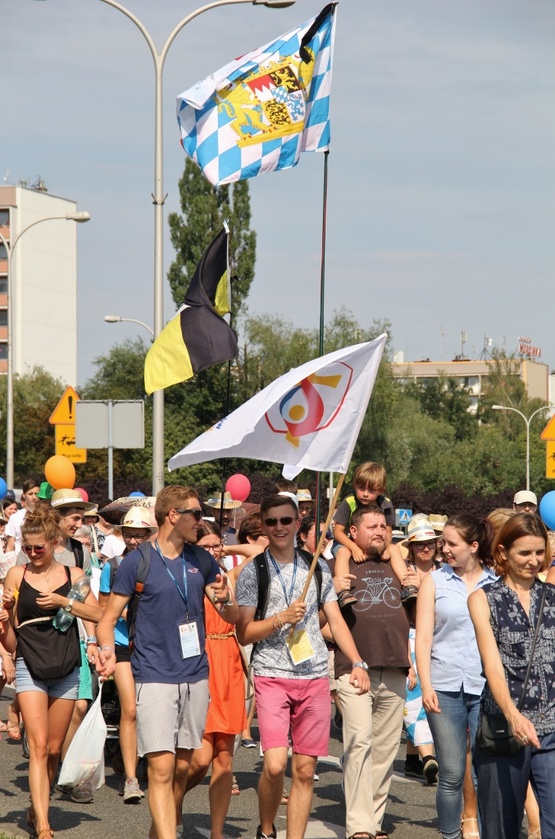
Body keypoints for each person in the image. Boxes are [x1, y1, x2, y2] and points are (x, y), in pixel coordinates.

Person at [96, 485, 234, 839]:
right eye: (195, 515)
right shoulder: (137, 561)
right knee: (160, 768)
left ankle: (160, 832)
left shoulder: (201, 560)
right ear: (173, 516)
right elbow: (108, 619)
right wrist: (107, 650)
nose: (200, 523)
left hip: (195, 675)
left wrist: (226, 599)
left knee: (185, 766)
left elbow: (229, 614)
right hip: (153, 674)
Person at [235, 494, 370, 839]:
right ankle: (266, 829)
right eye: (271, 522)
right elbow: (245, 632)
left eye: (286, 520)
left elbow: (336, 622)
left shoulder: (317, 566)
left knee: (306, 771)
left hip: (312, 676)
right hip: (271, 674)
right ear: (263, 528)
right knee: (276, 764)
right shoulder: (254, 571)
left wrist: (357, 662)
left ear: (298, 523)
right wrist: (280, 618)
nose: (279, 527)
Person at [2, 508, 101, 839]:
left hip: (66, 667)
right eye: (27, 548)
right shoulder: (17, 576)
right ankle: (43, 826)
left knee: (55, 751)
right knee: (40, 745)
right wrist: (3, 623)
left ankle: (36, 805)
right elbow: (12, 637)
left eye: (37, 548)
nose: (31, 554)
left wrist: (62, 601)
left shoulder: (74, 575)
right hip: (29, 664)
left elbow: (98, 613)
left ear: (54, 542)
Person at [468, 513, 555, 839]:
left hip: (551, 730)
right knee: (501, 830)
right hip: (504, 730)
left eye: (539, 553)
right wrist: (513, 715)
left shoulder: (553, 598)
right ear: (503, 553)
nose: (534, 561)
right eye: (525, 553)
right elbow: (492, 666)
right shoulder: (483, 599)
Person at [331, 505, 411, 839]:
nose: (379, 531)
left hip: (395, 665)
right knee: (360, 741)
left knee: (385, 749)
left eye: (383, 526)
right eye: (372, 526)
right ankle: (359, 826)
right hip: (354, 669)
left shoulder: (398, 562)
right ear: (353, 532)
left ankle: (374, 820)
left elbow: (419, 616)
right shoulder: (342, 563)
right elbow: (325, 622)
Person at [415, 514, 496, 839]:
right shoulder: (434, 581)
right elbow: (423, 637)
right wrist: (426, 684)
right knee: (450, 772)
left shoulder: (494, 582)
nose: (443, 548)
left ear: (473, 546)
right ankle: (450, 835)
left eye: (451, 543)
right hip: (444, 687)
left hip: (485, 688)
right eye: (442, 542)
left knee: (483, 772)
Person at [184, 520, 246, 839]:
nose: (212, 551)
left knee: (225, 755)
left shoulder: (228, 577)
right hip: (201, 661)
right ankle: (173, 796)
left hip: (230, 663)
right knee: (200, 758)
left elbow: (259, 551)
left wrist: (227, 547)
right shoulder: (189, 580)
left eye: (216, 545)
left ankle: (218, 833)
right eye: (204, 546)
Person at [98, 505, 157, 803]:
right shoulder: (114, 566)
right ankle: (131, 779)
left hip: (152, 645)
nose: (133, 541)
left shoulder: (160, 564)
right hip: (122, 644)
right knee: (130, 710)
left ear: (149, 535)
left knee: (150, 711)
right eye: (129, 535)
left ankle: (143, 761)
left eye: (139, 536)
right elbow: (103, 610)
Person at [400, 517, 441, 784]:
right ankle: (428, 758)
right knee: (415, 698)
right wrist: (408, 661)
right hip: (412, 638)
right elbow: (399, 618)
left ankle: (413, 760)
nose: (425, 548)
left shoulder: (446, 570)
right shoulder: (404, 573)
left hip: (441, 639)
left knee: (436, 697)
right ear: (411, 547)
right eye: (419, 544)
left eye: (430, 543)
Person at [332, 461, 395, 560]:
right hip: (347, 543)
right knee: (342, 552)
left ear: (381, 491)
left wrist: (385, 548)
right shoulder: (348, 502)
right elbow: (338, 532)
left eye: (371, 490)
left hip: (374, 544)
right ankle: (341, 575)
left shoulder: (386, 504)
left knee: (394, 549)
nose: (365, 494)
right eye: (361, 488)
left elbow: (388, 532)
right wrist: (354, 548)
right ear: (354, 485)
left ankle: (404, 575)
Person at [5, 478, 41, 553]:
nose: (34, 497)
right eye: (30, 494)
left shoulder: (45, 515)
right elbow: (10, 546)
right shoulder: (15, 517)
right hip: (21, 559)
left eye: (36, 493)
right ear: (24, 495)